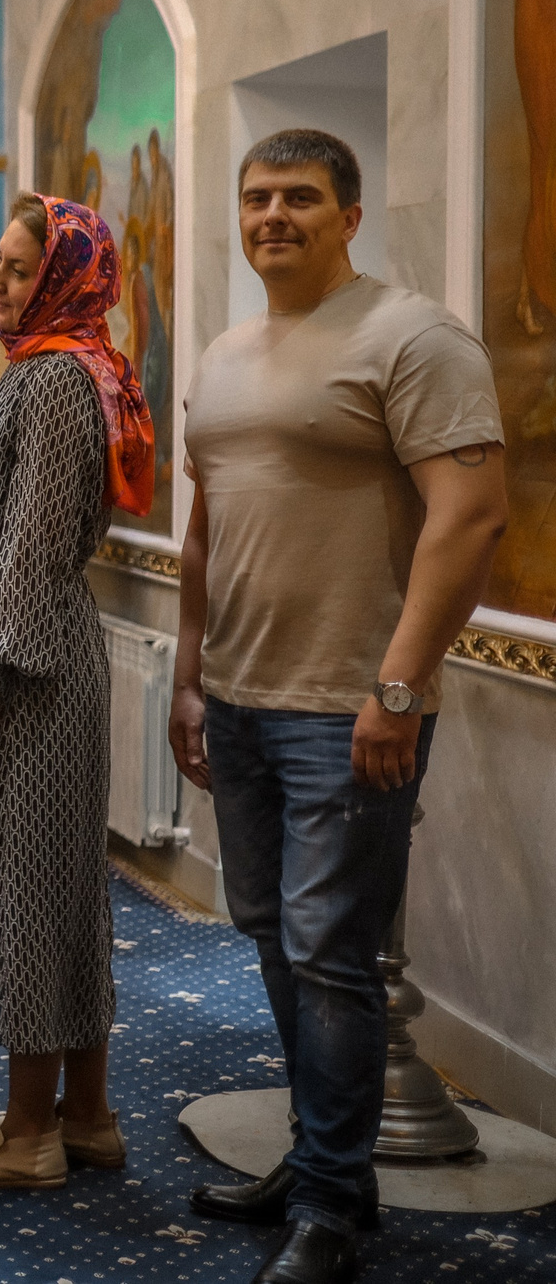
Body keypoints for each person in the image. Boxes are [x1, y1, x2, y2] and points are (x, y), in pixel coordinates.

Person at [172, 132, 508, 1284]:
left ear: (347, 215)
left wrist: (398, 688)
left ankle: (329, 1206)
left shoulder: (410, 336)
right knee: (272, 938)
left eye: (300, 198)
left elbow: (470, 519)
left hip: (346, 707)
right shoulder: (223, 353)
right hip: (236, 697)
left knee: (332, 957)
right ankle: (322, 1161)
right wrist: (184, 672)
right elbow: (206, 529)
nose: (273, 215)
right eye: (256, 197)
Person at [0, 194, 151, 1191]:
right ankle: (84, 1116)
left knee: (21, 895)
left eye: (13, 269)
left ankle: (22, 1135)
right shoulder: (67, 365)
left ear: (60, 277)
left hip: (25, 670)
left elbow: (34, 550)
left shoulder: (51, 380)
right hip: (40, 658)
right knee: (59, 891)